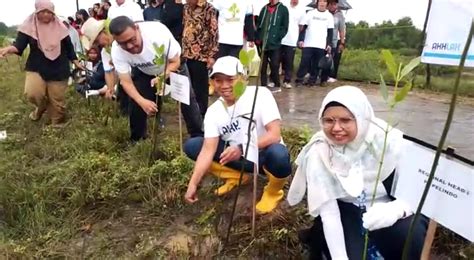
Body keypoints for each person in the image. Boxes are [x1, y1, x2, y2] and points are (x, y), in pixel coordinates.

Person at [287, 86, 428, 259]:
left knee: (409, 236)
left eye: (345, 120)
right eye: (328, 120)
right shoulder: (320, 151)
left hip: (388, 205)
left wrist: (397, 210)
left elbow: (417, 188)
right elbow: (330, 213)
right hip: (347, 210)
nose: (336, 128)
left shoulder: (387, 140)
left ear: (362, 118)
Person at [184, 56, 292, 214]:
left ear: (243, 78)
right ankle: (235, 176)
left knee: (279, 154)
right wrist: (193, 183)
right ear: (212, 83)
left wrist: (241, 148)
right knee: (193, 146)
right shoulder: (214, 111)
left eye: (230, 79)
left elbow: (274, 135)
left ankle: (273, 192)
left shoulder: (260, 95)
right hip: (238, 160)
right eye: (218, 80)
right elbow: (208, 150)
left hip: (262, 158)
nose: (224, 86)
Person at [108, 16, 203, 141]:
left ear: (137, 29)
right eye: (123, 44)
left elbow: (175, 61)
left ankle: (198, 135)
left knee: (187, 99)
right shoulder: (117, 51)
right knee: (137, 104)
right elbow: (126, 82)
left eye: (132, 39)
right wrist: (142, 102)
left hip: (171, 66)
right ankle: (137, 139)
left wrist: (163, 76)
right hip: (144, 71)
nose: (130, 46)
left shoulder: (157, 33)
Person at [0, 0, 84, 127]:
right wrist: (8, 49)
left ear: (53, 13)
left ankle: (56, 122)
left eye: (49, 12)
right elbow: (19, 46)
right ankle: (41, 106)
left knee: (57, 100)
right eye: (42, 12)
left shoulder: (60, 27)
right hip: (36, 66)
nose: (46, 15)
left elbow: (69, 47)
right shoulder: (28, 27)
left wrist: (76, 61)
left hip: (59, 67)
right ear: (36, 12)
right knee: (32, 93)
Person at [182, 0, 218, 118]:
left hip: (201, 55)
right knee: (188, 86)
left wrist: (211, 56)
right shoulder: (186, 7)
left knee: (200, 89)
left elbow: (214, 33)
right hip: (187, 54)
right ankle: (191, 113)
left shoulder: (208, 8)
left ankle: (202, 115)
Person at [294, 0, 333, 87]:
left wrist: (329, 44)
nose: (322, 3)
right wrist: (301, 40)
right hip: (308, 43)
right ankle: (299, 80)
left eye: (324, 1)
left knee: (316, 65)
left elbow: (330, 32)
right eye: (321, 1)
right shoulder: (310, 13)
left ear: (327, 4)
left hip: (321, 45)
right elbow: (303, 28)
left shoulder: (329, 16)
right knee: (304, 62)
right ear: (317, 3)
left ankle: (312, 81)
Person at [279, 0, 305, 89]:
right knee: (276, 60)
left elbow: (301, 26)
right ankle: (273, 79)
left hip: (292, 40)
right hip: (280, 38)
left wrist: (296, 36)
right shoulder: (283, 5)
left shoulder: (302, 9)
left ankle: (287, 80)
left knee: (289, 62)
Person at [323, 0, 345, 83]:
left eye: (334, 4)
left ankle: (331, 76)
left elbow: (341, 29)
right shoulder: (325, 13)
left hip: (334, 40)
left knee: (331, 59)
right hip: (322, 40)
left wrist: (342, 42)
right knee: (322, 58)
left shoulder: (340, 15)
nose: (332, 6)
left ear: (337, 5)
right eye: (330, 4)